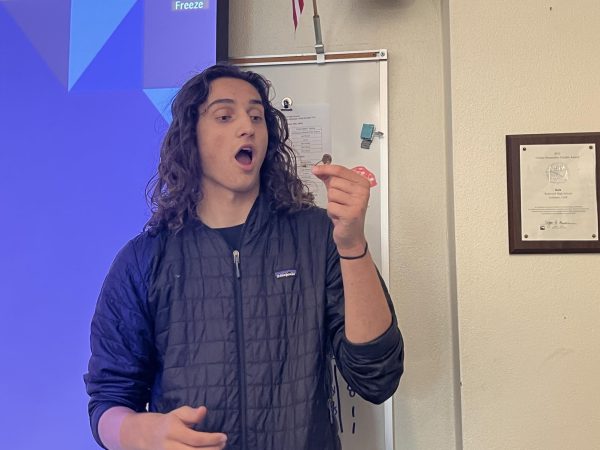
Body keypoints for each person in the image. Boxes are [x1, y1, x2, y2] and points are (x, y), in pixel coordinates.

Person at [85, 64, 404, 450]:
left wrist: (353, 245)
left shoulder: (319, 236)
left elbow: (377, 377)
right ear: (191, 138)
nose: (247, 126)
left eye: (257, 116)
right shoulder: (143, 259)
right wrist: (137, 432)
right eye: (225, 115)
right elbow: (108, 402)